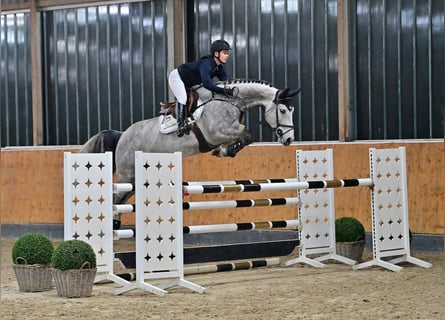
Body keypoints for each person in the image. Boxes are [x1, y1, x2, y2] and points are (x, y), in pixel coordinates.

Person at [168, 39, 234, 137]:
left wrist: (231, 88)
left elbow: (226, 82)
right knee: (182, 98)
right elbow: (207, 84)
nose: (227, 56)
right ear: (216, 54)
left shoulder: (218, 67)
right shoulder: (206, 64)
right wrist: (223, 91)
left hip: (190, 82)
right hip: (177, 77)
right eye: (224, 53)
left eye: (227, 53)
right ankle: (180, 125)